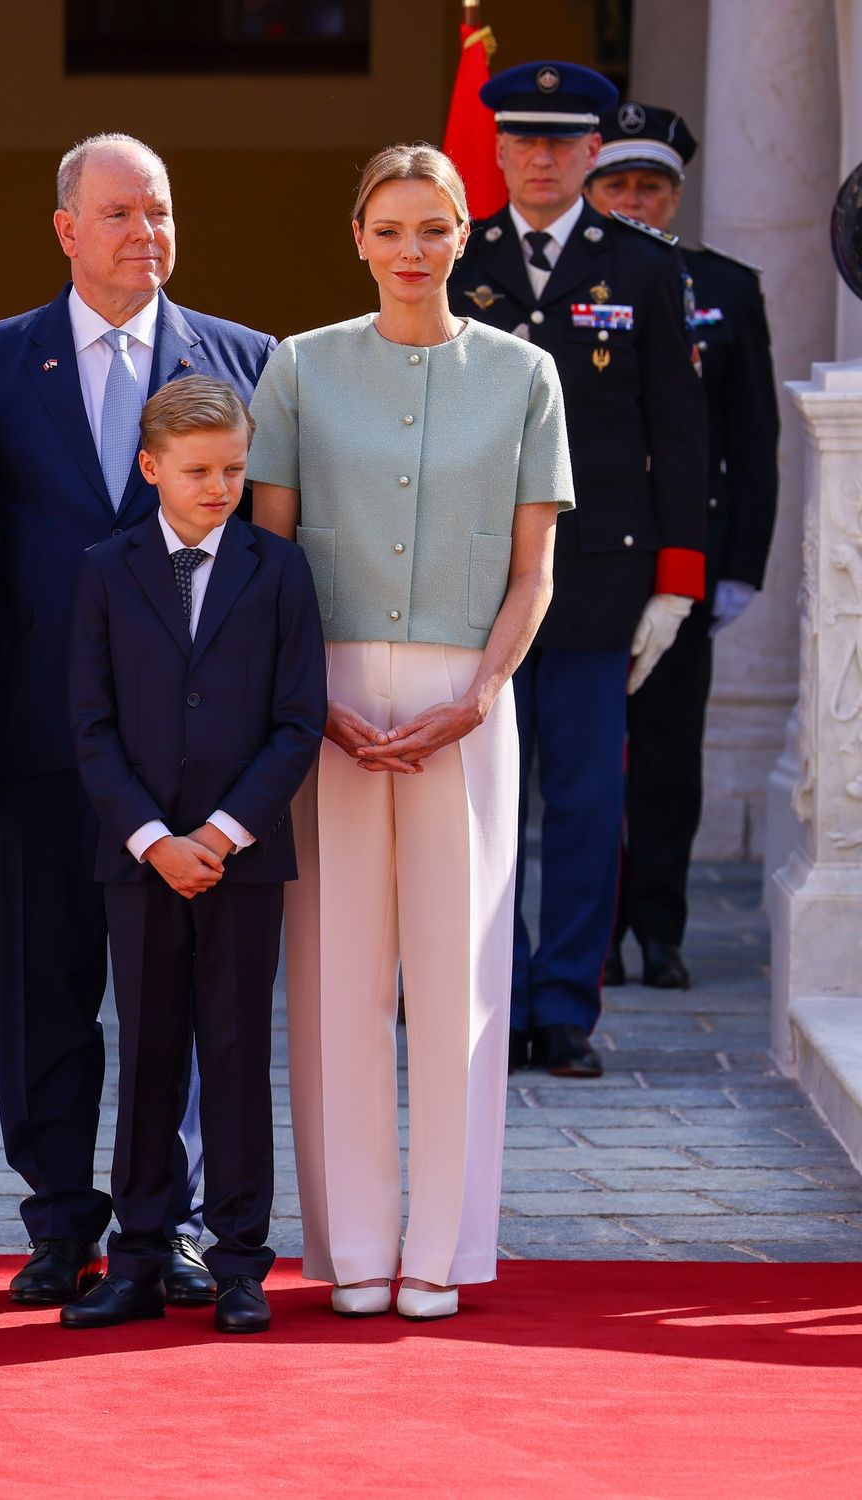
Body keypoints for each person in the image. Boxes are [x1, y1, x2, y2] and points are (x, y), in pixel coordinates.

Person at [0, 133, 274, 1307]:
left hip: (193, 761)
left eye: (160, 212)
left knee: (178, 997)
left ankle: (171, 1219)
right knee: (44, 987)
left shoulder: (243, 361)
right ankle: (56, 1218)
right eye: (120, 213)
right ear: (64, 230)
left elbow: (266, 564)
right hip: (41, 743)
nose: (145, 233)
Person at [257, 144, 571, 1322]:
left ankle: (438, 1248)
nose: (409, 251)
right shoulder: (297, 368)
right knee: (337, 974)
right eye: (388, 228)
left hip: (465, 701)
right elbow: (270, 556)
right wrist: (304, 697)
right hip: (323, 693)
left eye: (431, 229)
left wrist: (482, 693)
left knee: (458, 978)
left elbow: (532, 569)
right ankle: (347, 1250)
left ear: (461, 237)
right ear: (356, 236)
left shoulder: (525, 374)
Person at [449, 62, 707, 1079]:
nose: (543, 157)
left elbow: (677, 435)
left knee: (586, 803)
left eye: (563, 142)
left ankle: (562, 1008)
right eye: (525, 141)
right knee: (481, 807)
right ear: (499, 152)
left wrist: (676, 579)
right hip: (470, 582)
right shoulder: (453, 255)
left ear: (591, 153)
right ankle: (493, 999)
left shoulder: (642, 268)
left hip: (600, 578)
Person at [64, 377, 324, 1333]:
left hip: (241, 860)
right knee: (149, 1053)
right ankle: (136, 1253)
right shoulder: (104, 568)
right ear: (151, 468)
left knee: (235, 1051)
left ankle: (240, 1259)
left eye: (234, 469)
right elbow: (89, 726)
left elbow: (298, 724)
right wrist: (152, 839)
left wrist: (218, 835)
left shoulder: (279, 570)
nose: (219, 488)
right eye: (198, 471)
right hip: (138, 860)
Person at [587, 103, 781, 990]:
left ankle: (659, 929)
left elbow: (752, 438)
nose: (634, 200)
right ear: (592, 188)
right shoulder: (569, 283)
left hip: (682, 554)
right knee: (581, 760)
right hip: (587, 551)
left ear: (676, 195)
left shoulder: (726, 288)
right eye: (617, 184)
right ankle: (591, 933)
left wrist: (741, 563)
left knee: (668, 754)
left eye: (651, 186)